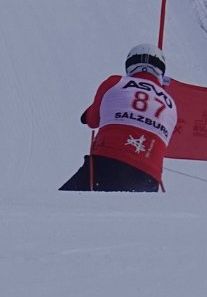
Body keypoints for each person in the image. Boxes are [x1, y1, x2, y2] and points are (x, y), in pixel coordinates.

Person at [60, 44, 181, 192]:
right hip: (149, 175)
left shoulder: (115, 82)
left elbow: (92, 121)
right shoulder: (171, 104)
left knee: (58, 203)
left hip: (107, 163)